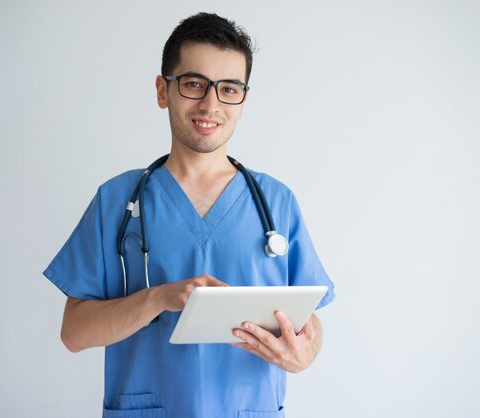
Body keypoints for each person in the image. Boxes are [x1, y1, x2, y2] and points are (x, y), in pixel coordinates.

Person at [43, 12, 335, 418]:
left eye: (228, 88)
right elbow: (74, 333)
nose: (210, 104)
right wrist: (159, 298)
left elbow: (308, 319)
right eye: (194, 84)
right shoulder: (117, 200)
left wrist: (304, 354)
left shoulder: (277, 202)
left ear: (243, 100)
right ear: (163, 90)